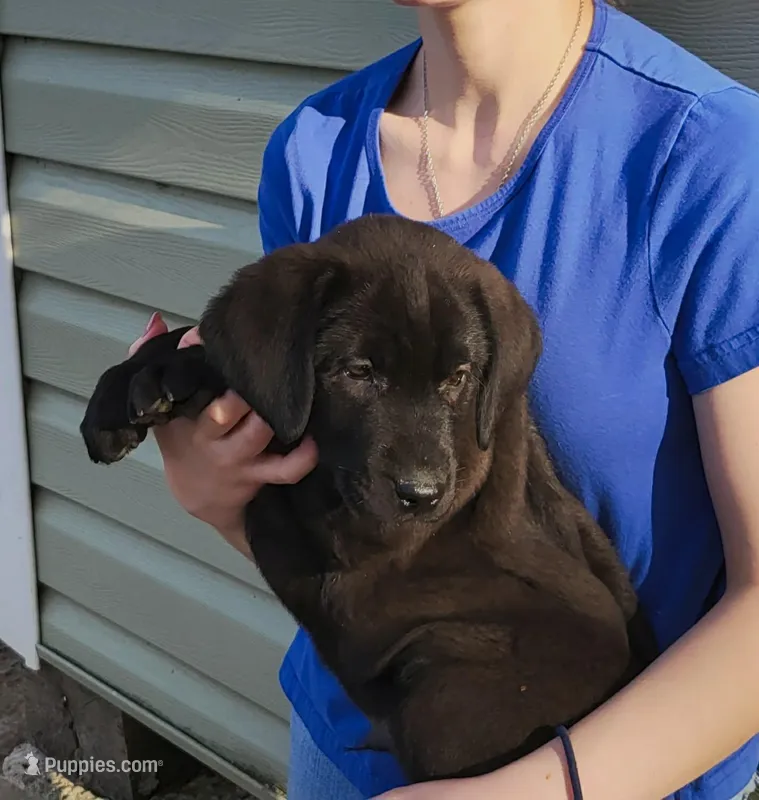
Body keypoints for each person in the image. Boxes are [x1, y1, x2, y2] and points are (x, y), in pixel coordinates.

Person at [130, 0, 759, 797]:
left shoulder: (708, 158)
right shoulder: (316, 149)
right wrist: (222, 498)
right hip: (348, 741)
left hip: (614, 765)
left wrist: (539, 790)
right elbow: (353, 529)